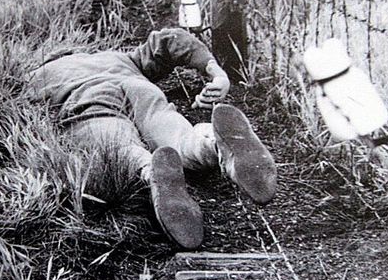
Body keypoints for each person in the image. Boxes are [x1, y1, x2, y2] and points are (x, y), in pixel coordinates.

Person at [29, 28, 277, 250]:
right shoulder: (117, 58)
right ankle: (213, 143)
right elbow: (170, 40)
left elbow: (22, 114)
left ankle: (150, 172)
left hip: (89, 100)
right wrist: (216, 73)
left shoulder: (39, 75)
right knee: (175, 133)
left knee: (118, 144)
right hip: (136, 86)